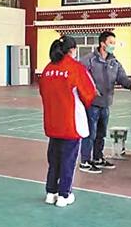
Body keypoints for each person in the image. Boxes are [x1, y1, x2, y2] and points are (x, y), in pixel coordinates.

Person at [39, 36, 97, 207]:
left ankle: (51, 192)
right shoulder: (75, 68)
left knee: (54, 159)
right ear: (72, 50)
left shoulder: (48, 69)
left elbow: (43, 92)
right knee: (68, 160)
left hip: (52, 121)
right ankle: (64, 195)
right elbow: (89, 93)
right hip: (71, 121)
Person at [78, 31, 131, 174]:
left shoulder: (114, 62)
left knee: (101, 133)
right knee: (90, 134)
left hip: (105, 103)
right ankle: (85, 161)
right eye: (111, 43)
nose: (113, 46)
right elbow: (80, 77)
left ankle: (98, 157)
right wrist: (89, 91)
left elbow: (122, 77)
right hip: (91, 103)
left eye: (114, 43)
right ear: (102, 43)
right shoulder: (89, 60)